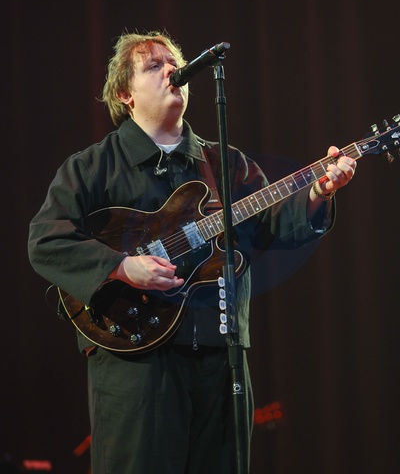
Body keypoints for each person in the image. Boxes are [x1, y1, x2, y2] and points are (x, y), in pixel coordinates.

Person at [28, 30, 357, 474]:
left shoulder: (225, 162)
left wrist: (318, 192)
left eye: (174, 64)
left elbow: (273, 225)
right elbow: (46, 240)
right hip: (134, 359)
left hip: (220, 353)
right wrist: (122, 267)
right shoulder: (92, 166)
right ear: (125, 93)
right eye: (154, 66)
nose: (171, 71)